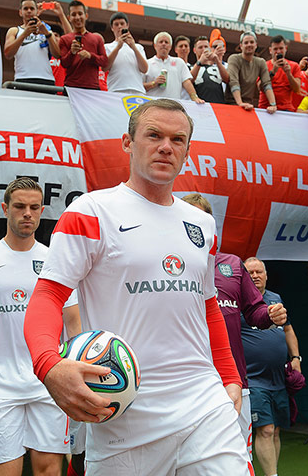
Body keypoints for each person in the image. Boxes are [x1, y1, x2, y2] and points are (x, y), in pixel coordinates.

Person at [23, 99, 251, 475]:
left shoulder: (202, 225)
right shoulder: (90, 211)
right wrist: (49, 366)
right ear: (127, 143)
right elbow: (49, 296)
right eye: (154, 135)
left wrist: (229, 377)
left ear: (187, 152)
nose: (166, 146)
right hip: (122, 415)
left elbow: (208, 305)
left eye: (178, 140)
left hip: (204, 405)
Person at [0, 177, 78, 474]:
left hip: (49, 382)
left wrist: (74, 371)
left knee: (49, 470)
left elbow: (74, 324)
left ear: (42, 210)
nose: (27, 214)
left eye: (34, 207)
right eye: (19, 206)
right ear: (5, 209)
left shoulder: (55, 260)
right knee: (3, 471)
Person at [181, 193, 288, 461]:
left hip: (234, 379)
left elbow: (254, 311)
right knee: (191, 457)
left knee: (239, 455)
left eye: (200, 219)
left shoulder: (231, 264)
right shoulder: (168, 265)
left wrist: (270, 313)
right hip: (186, 380)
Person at [242, 257, 301, 476]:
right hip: (253, 378)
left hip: (278, 378)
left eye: (259, 272)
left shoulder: (275, 298)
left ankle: (272, 472)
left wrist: (296, 358)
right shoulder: (238, 300)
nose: (255, 276)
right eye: (250, 273)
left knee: (275, 431)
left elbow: (287, 330)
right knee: (265, 429)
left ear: (266, 275)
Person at [4, 0, 68, 85]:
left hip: (46, 79)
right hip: (23, 78)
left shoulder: (47, 30)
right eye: (25, 8)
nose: (29, 11)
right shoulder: (14, 31)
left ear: (37, 12)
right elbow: (8, 54)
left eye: (32, 8)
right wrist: (24, 34)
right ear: (20, 12)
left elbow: (57, 54)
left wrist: (47, 34)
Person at [59, 0, 108, 90]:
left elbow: (105, 62)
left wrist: (90, 56)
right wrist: (72, 52)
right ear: (69, 18)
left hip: (92, 87)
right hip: (71, 87)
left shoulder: (97, 38)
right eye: (74, 14)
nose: (77, 17)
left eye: (80, 14)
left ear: (86, 16)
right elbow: (64, 64)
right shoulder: (64, 39)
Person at [144, 31, 204, 102]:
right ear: (155, 45)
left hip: (173, 106)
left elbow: (187, 82)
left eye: (166, 42)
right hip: (153, 105)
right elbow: (140, 86)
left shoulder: (179, 62)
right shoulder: (146, 63)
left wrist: (194, 97)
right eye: (161, 42)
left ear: (170, 46)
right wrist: (154, 83)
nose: (163, 44)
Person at [225, 31, 277, 113]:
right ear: (241, 46)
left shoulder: (261, 62)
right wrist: (240, 103)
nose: (249, 44)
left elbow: (266, 83)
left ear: (256, 45)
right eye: (246, 43)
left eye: (252, 42)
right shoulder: (234, 58)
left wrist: (273, 104)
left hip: (249, 105)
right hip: (232, 103)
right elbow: (233, 81)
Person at [258, 35, 301, 111]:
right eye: (275, 49)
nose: (278, 52)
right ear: (270, 50)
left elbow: (297, 89)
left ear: (286, 48)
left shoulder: (294, 66)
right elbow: (260, 87)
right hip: (266, 108)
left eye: (281, 48)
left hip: (286, 109)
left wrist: (288, 74)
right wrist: (273, 71)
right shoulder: (264, 65)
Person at [191, 35, 229, 103]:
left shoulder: (217, 67)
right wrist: (199, 62)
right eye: (200, 47)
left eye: (206, 47)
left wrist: (217, 61)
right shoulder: (191, 67)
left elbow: (227, 79)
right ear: (194, 50)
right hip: (199, 106)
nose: (203, 49)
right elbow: (189, 80)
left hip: (218, 106)